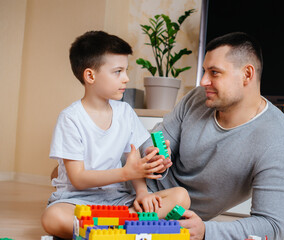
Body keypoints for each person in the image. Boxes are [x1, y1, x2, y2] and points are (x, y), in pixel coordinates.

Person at [141, 32, 284, 240]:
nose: (203, 81)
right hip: (133, 184)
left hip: (169, 220)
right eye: (204, 71)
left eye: (214, 73)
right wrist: (153, 155)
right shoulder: (197, 98)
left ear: (247, 75)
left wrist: (207, 231)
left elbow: (271, 225)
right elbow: (152, 140)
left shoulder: (277, 141)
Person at [41, 31, 190, 239]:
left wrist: (142, 193)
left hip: (118, 201)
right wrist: (126, 173)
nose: (126, 78)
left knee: (181, 196)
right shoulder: (70, 119)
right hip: (77, 200)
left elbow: (133, 158)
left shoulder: (125, 112)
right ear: (90, 76)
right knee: (53, 217)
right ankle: (129, 228)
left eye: (125, 70)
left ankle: (107, 231)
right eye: (118, 72)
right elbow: (78, 178)